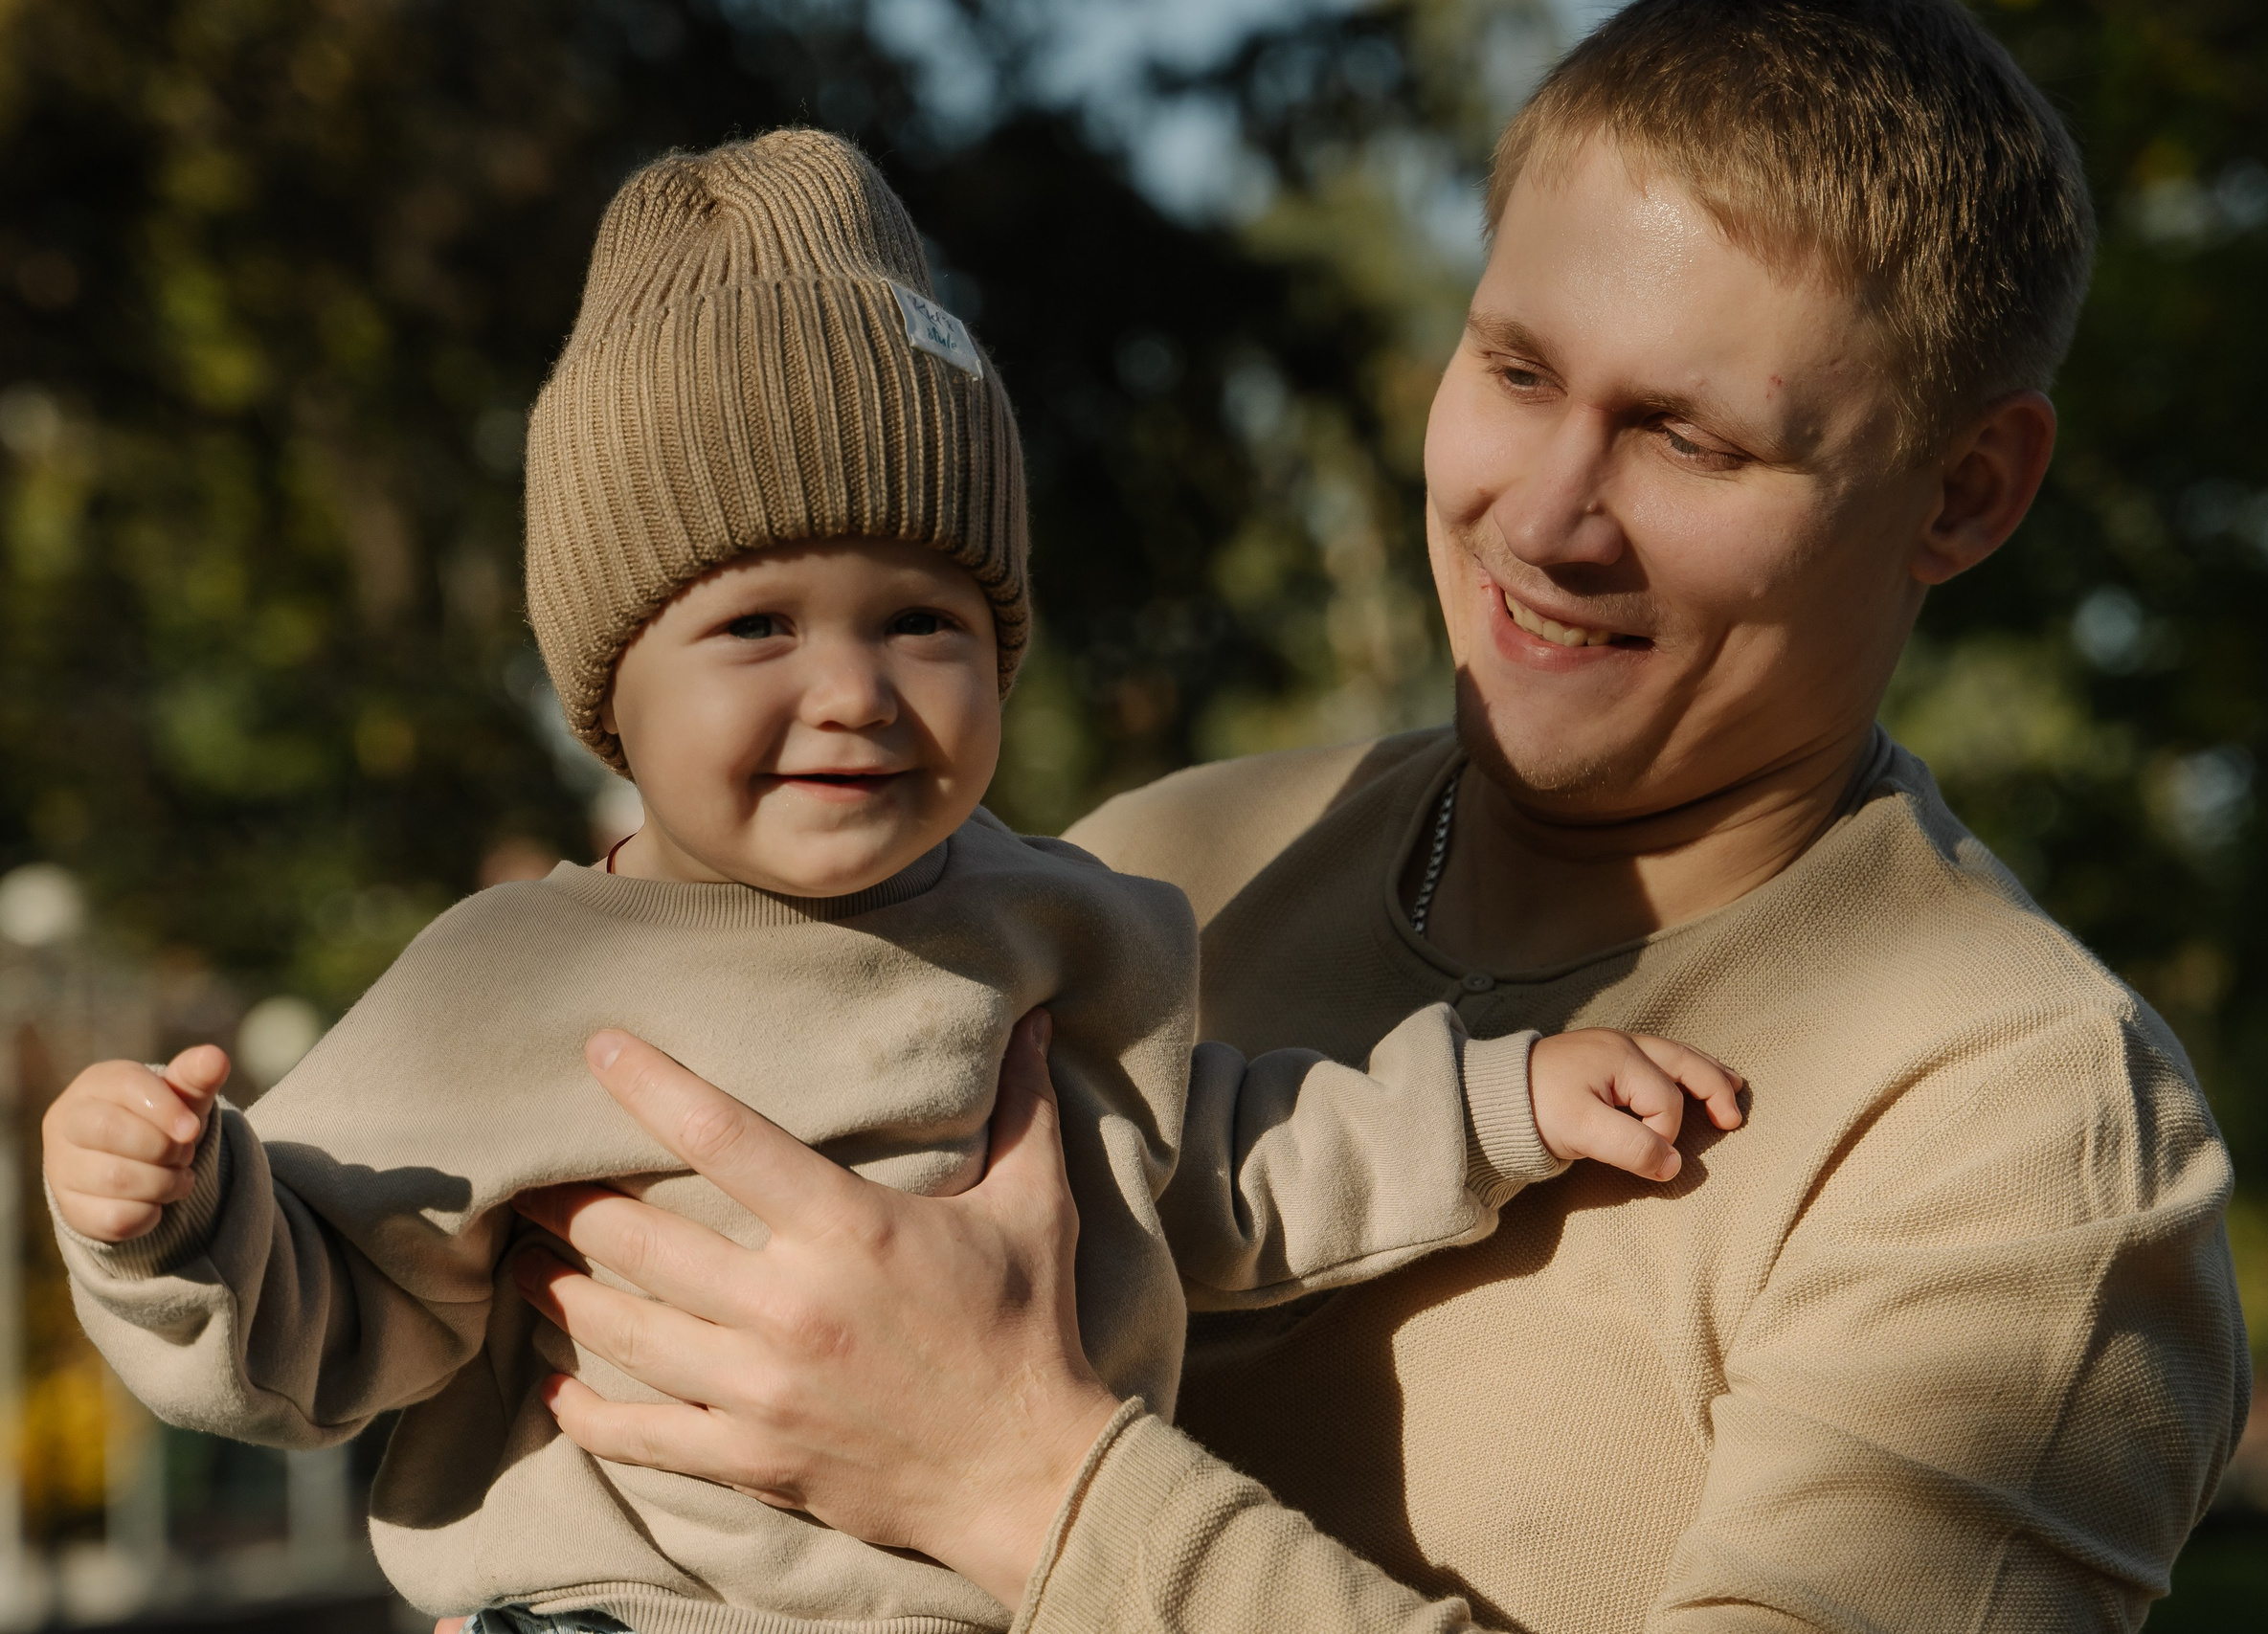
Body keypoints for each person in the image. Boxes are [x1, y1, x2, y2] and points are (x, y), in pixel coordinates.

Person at [460, 3, 2255, 1630]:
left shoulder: (2019, 1136)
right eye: (1519, 372)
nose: (1545, 517)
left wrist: (1019, 1479)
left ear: (1967, 491)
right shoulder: (1160, 869)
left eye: (1692, 441)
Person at [38, 131, 1741, 1634]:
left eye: (923, 619)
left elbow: (1223, 1157)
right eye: (757, 626)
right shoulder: (515, 980)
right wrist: (175, 1217)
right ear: (609, 688)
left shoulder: (1058, 925)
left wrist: (1504, 1100)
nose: (853, 690)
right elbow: (337, 1306)